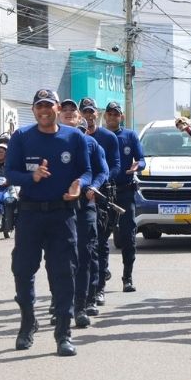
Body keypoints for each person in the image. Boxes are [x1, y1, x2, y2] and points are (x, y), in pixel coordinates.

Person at [6, 88, 91, 357]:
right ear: (33, 110)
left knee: (64, 272)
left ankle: (63, 334)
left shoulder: (74, 136)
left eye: (48, 105)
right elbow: (10, 173)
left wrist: (80, 185)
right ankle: (28, 322)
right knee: (23, 270)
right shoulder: (21, 137)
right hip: (30, 213)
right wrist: (31, 178)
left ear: (57, 108)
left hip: (62, 214)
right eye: (39, 106)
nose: (44, 110)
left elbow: (86, 170)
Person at [58, 98, 108, 328]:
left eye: (73, 111)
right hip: (60, 206)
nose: (69, 113)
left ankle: (81, 305)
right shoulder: (50, 142)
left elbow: (101, 171)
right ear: (59, 115)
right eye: (64, 110)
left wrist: (93, 187)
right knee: (60, 258)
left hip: (85, 204)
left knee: (85, 254)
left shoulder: (91, 144)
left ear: (81, 119)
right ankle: (60, 305)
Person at [81, 97, 120, 310]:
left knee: (101, 241)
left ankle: (99, 288)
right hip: (81, 195)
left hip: (102, 194)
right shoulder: (75, 136)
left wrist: (100, 183)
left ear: (97, 114)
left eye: (91, 111)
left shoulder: (107, 137)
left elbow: (113, 166)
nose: (88, 115)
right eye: (84, 112)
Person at [104, 101, 144, 293]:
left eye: (116, 114)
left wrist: (139, 166)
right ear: (105, 116)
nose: (112, 117)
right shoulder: (99, 136)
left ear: (122, 117)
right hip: (104, 191)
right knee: (101, 234)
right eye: (109, 114)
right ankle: (102, 271)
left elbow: (142, 159)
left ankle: (127, 277)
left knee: (128, 235)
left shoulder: (130, 135)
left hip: (126, 190)